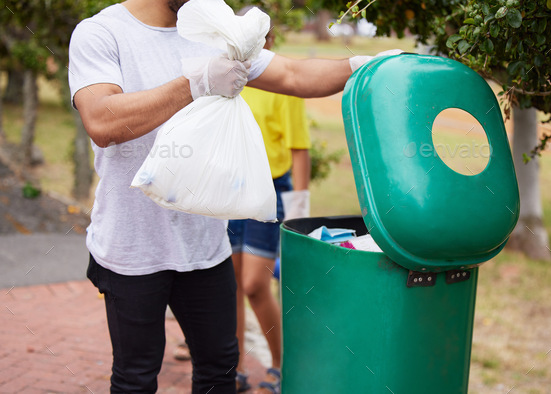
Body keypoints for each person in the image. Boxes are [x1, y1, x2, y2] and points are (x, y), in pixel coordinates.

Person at [68, 0, 401, 393]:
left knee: (220, 368)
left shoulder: (212, 28)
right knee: (136, 377)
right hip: (132, 249)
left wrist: (361, 66)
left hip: (206, 248)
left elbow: (293, 74)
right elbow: (103, 120)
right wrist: (194, 83)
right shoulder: (101, 33)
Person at [227, 12, 311, 393]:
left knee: (254, 285)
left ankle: (282, 363)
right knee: (229, 286)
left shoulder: (280, 83)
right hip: (229, 190)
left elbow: (300, 150)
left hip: (271, 191)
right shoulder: (228, 78)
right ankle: (236, 368)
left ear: (267, 40)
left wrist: (299, 210)